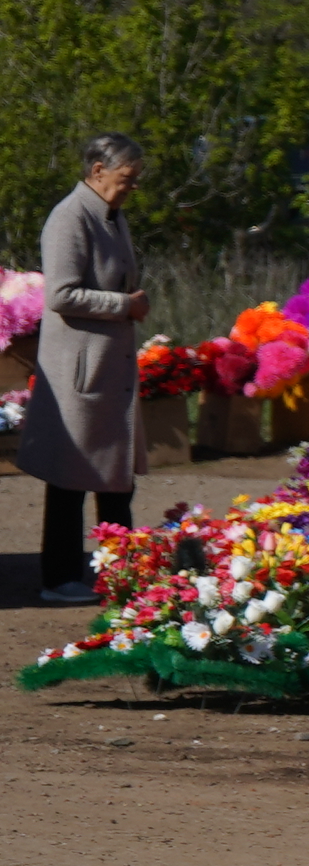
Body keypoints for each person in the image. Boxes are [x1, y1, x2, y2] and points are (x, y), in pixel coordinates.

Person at [19, 135, 152, 606]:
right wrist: (123, 305)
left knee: (116, 478)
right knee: (71, 477)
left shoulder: (111, 216)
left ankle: (120, 571)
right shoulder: (70, 217)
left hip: (106, 369)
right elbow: (61, 294)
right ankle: (59, 578)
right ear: (98, 170)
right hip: (80, 371)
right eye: (126, 178)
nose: (132, 187)